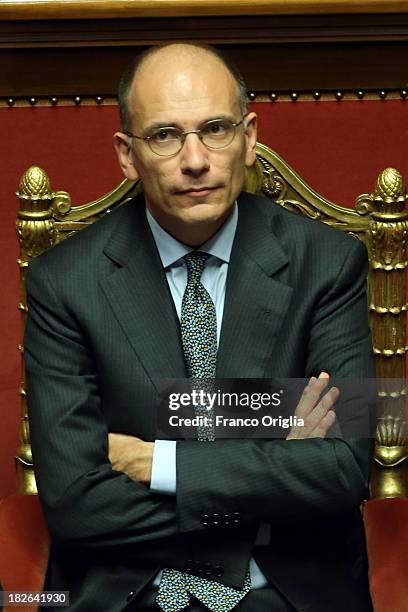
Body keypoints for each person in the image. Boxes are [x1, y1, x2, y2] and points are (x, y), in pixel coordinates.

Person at [24, 43, 374, 612]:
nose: (195, 159)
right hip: (127, 589)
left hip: (286, 588)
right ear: (127, 154)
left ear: (250, 137)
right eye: (164, 135)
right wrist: (273, 465)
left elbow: (343, 469)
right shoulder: (64, 282)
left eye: (215, 128)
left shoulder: (330, 263)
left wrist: (158, 463)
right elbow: (74, 503)